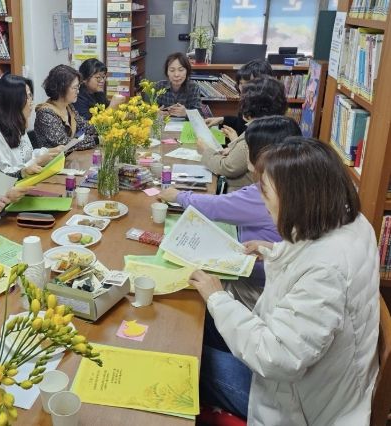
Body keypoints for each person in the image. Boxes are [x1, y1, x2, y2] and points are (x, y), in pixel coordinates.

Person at [189, 137, 380, 424]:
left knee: (187, 358)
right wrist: (273, 250)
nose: (263, 201)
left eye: (265, 192)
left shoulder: (325, 271)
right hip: (315, 378)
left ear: (296, 198)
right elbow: (307, 255)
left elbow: (274, 357)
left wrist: (218, 298)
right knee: (198, 321)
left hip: (295, 403)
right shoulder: (350, 222)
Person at [160, 116, 301, 309]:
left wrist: (178, 196)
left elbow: (217, 206)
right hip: (267, 271)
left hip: (257, 286)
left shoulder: (267, 191)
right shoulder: (292, 182)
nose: (245, 153)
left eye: (248, 148)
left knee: (185, 287)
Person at [199, 76, 287, 193]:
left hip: (240, 192)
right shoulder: (277, 126)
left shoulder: (255, 135)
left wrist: (206, 150)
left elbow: (227, 167)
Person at [0, 74, 63, 175]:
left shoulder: (17, 124)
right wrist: (37, 161)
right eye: (27, 97)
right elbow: (3, 174)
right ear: (14, 101)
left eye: (30, 96)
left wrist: (48, 152)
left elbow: (26, 156)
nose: (31, 102)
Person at [34, 64, 98, 151]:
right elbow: (65, 144)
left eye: (78, 87)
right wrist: (95, 140)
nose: (78, 91)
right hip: (55, 159)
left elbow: (84, 128)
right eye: (74, 88)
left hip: (72, 157)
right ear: (61, 89)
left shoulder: (68, 107)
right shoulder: (45, 114)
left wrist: (104, 128)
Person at [205, 59, 273, 135]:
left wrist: (235, 139)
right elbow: (241, 123)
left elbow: (257, 140)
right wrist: (222, 119)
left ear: (264, 84)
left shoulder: (269, 113)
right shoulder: (248, 102)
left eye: (249, 83)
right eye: (241, 83)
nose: (243, 88)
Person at [154, 52, 202, 117]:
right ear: (167, 72)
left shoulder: (193, 87)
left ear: (187, 71)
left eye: (181, 70)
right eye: (172, 70)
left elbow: (200, 115)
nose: (176, 75)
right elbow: (150, 111)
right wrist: (156, 113)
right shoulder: (159, 86)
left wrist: (186, 113)